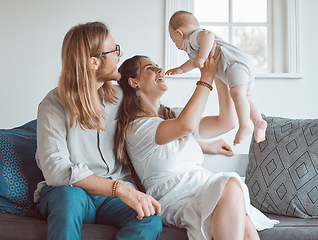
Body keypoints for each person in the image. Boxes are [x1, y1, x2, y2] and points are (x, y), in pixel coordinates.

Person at [114, 50, 278, 240]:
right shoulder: (136, 127)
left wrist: (219, 77)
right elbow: (186, 126)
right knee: (231, 185)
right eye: (150, 68)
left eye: (157, 65)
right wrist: (205, 78)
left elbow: (226, 123)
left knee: (243, 219)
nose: (159, 69)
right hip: (174, 195)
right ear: (134, 82)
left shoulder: (175, 114)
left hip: (202, 184)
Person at [34, 22, 162, 240]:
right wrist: (119, 189)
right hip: (71, 192)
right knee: (69, 199)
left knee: (148, 217)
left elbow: (155, 122)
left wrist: (202, 142)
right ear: (94, 62)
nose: (120, 55)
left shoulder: (120, 97)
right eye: (115, 50)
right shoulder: (52, 105)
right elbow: (56, 170)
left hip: (111, 200)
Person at [166, 10, 267, 146]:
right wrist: (180, 69)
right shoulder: (194, 46)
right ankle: (258, 121)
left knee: (237, 95)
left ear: (179, 33)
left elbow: (208, 35)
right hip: (242, 64)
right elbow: (193, 62)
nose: (176, 46)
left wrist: (201, 57)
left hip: (234, 64)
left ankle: (245, 125)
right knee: (245, 98)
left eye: (174, 41)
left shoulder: (195, 36)